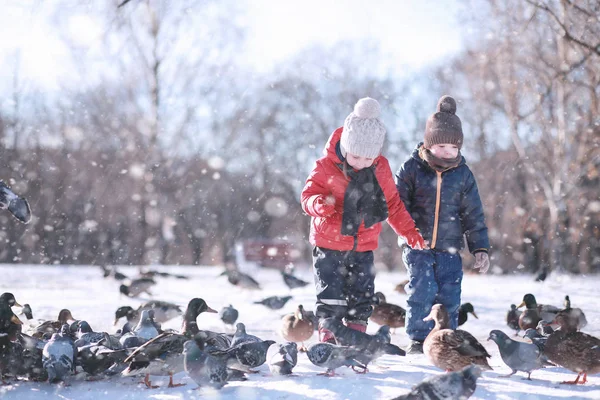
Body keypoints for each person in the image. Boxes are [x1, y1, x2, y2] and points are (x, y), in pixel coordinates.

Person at [300, 97, 425, 343]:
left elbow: (392, 204)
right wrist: (319, 204)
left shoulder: (380, 168)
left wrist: (409, 232)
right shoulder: (326, 167)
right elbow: (307, 196)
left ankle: (356, 338)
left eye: (369, 159)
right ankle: (329, 335)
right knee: (331, 293)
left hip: (364, 244)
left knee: (362, 294)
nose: (363, 163)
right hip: (329, 243)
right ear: (346, 146)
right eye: (357, 157)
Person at [395, 95, 490, 354]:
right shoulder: (411, 169)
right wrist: (410, 233)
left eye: (453, 148)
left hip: (450, 247)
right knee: (422, 290)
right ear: (429, 144)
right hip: (418, 246)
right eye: (442, 147)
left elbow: (473, 214)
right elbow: (396, 205)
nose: (448, 153)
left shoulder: (463, 174)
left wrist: (480, 247)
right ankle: (418, 338)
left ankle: (447, 337)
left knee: (449, 293)